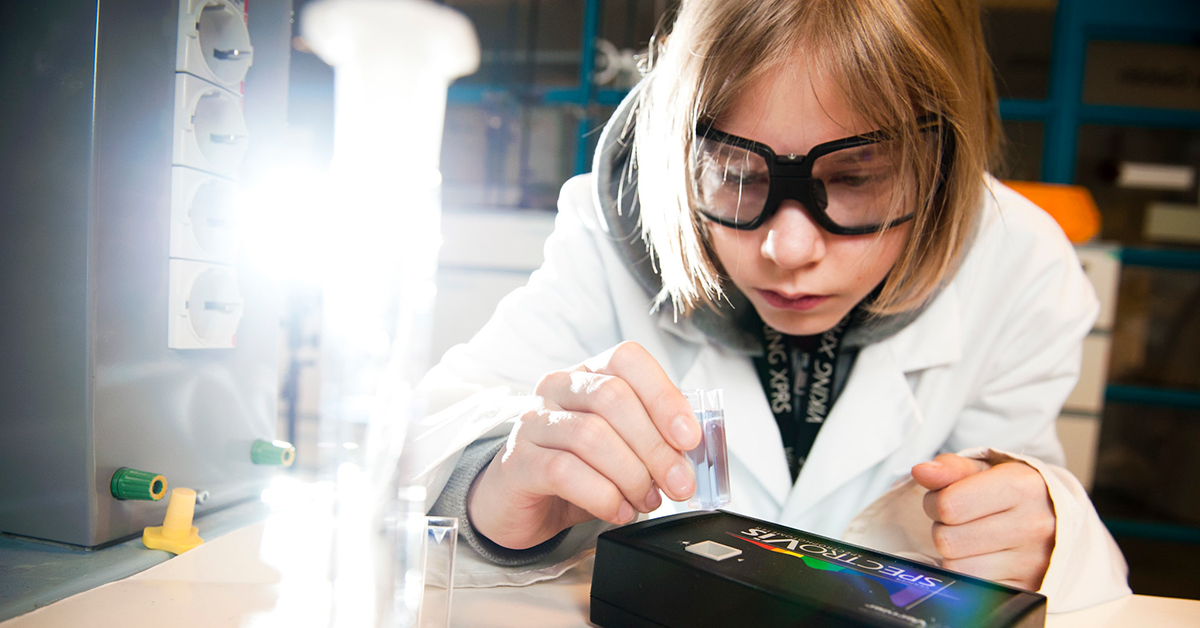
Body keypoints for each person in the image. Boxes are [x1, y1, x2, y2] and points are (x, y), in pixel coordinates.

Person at [409, 0, 1130, 611]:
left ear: (942, 165)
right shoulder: (611, 232)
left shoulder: (1019, 266)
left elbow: (1027, 518)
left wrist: (1043, 538)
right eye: (732, 171)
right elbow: (423, 446)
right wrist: (494, 492)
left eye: (857, 176)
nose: (787, 249)